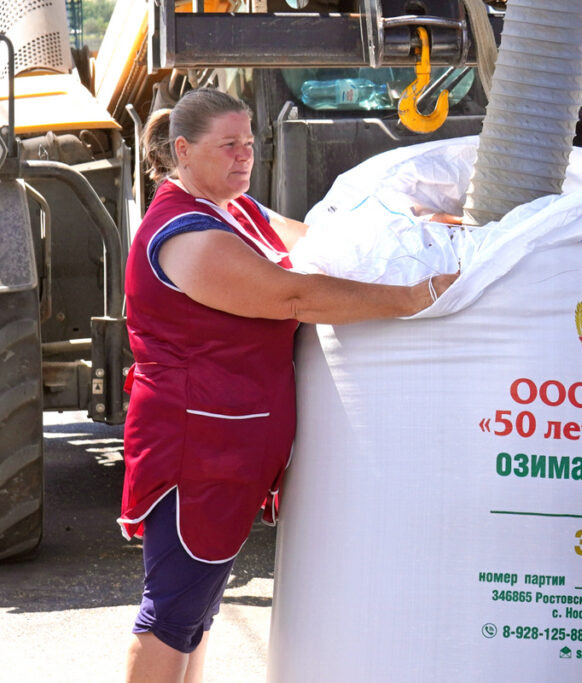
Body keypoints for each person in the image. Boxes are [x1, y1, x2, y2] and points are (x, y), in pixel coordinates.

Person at [118, 88, 457, 682]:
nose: (244, 156)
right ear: (182, 150)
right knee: (172, 608)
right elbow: (292, 296)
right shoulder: (186, 234)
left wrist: (413, 231)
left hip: (231, 443)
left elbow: (318, 248)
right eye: (228, 146)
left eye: (249, 143)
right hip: (194, 447)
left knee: (196, 608)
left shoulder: (239, 210)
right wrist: (413, 297)